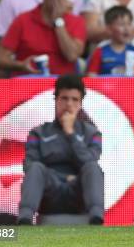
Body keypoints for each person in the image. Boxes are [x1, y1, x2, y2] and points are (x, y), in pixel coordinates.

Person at [17, 74, 104, 225]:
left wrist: (70, 132)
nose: (69, 104)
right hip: (50, 192)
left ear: (80, 104)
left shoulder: (93, 133)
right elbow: (29, 166)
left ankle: (96, 220)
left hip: (78, 193)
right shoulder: (38, 132)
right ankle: (24, 220)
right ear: (56, 100)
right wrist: (60, 177)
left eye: (75, 99)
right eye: (64, 98)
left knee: (93, 167)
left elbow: (90, 163)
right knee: (36, 168)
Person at [0, 0, 86, 76]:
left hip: (62, 87)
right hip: (28, 84)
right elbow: (0, 59)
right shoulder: (23, 20)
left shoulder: (77, 22)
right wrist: (21, 65)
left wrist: (58, 21)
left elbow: (72, 55)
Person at [87, 5, 134, 76]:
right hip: (107, 87)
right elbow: (91, 77)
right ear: (109, 29)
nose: (127, 28)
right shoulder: (100, 52)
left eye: (129, 24)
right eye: (121, 24)